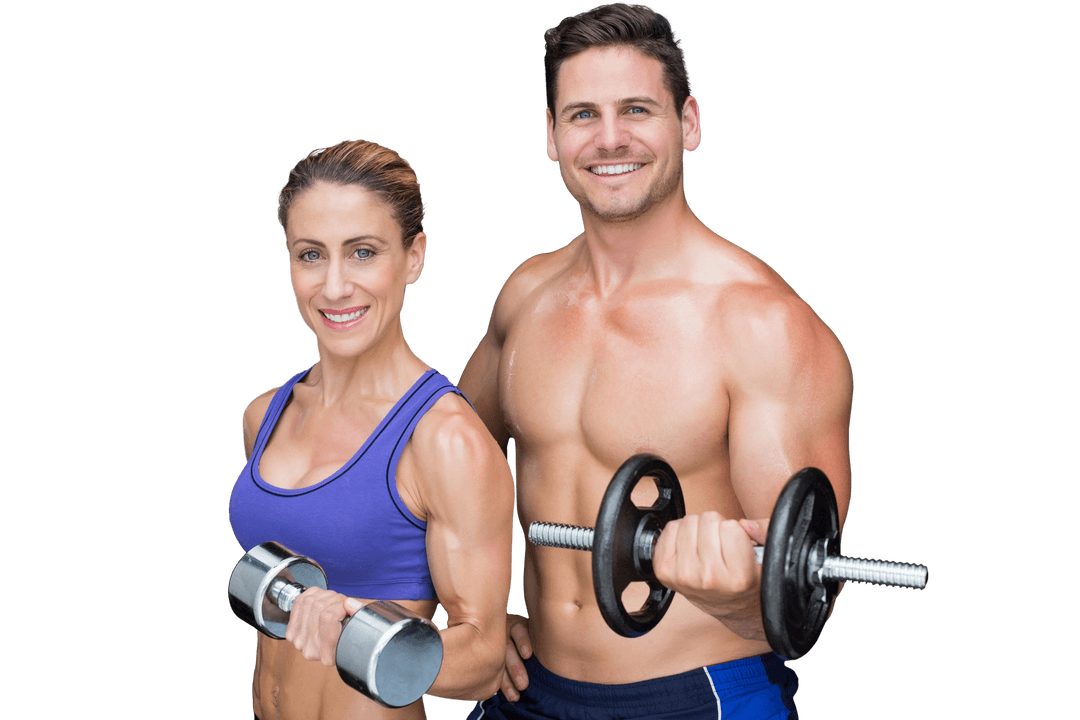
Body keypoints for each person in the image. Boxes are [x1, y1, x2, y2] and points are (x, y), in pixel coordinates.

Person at [459, 3, 853, 719]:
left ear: (689, 123)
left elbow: (807, 594)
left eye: (636, 109)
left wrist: (732, 586)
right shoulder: (524, 295)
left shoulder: (762, 327)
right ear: (551, 135)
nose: (610, 139)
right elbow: (447, 461)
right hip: (530, 688)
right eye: (582, 115)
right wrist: (474, 618)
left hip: (694, 696)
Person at [228, 138, 514, 720]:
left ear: (414, 257)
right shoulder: (265, 415)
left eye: (362, 252)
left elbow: (483, 657)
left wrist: (352, 633)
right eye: (311, 255)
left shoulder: (444, 440)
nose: (334, 287)